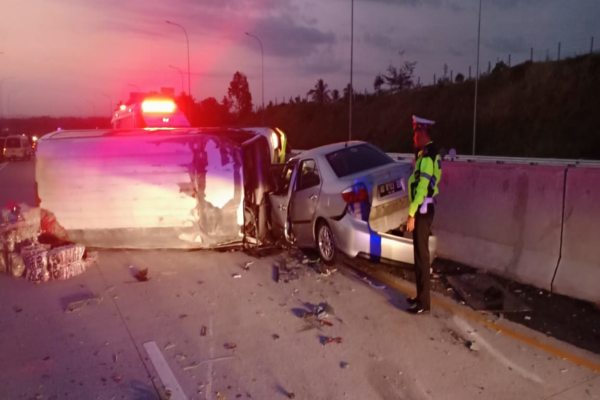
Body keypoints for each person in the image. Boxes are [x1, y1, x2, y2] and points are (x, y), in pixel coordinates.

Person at [405, 115, 442, 314]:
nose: (413, 138)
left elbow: (422, 187)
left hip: (423, 209)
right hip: (423, 208)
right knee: (419, 256)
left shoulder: (427, 157)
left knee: (421, 257)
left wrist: (412, 213)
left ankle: (424, 304)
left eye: (415, 134)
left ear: (422, 133)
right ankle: (420, 298)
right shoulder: (426, 154)